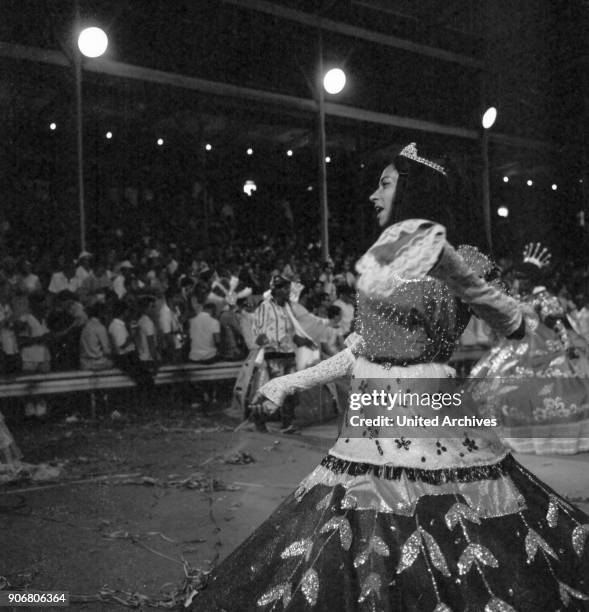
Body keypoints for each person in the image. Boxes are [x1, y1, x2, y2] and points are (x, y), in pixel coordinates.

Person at [192, 143, 589, 611]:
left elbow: (516, 323)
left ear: (415, 189)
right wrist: (285, 384)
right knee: (363, 527)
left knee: (450, 525)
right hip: (373, 417)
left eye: (384, 183)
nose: (372, 196)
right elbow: (359, 348)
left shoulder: (467, 259)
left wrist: (487, 280)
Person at [467, 243, 589, 454]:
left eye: (522, 278)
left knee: (533, 389)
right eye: (516, 278)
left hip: (541, 348)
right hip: (513, 347)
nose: (517, 282)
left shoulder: (545, 298)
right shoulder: (518, 299)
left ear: (533, 279)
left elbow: (560, 325)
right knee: (485, 383)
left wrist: (569, 347)